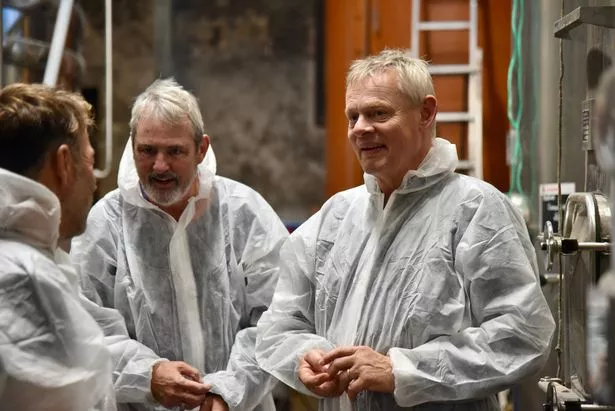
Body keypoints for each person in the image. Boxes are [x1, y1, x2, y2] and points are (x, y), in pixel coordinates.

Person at [255, 49, 556, 410]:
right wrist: (307, 358)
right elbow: (280, 325)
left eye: (379, 113)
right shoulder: (335, 217)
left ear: (426, 113)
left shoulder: (475, 209)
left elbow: (523, 334)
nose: (361, 128)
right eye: (353, 116)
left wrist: (402, 370)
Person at [70, 78, 289, 411]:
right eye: (147, 150)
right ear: (132, 147)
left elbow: (279, 318)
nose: (159, 165)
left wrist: (227, 392)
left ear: (201, 149)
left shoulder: (244, 212)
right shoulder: (105, 223)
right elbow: (85, 328)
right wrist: (149, 375)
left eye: (174, 151)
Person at [0, 83, 116, 410]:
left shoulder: (27, 260)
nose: (94, 181)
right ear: (64, 165)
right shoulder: (26, 281)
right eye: (91, 162)